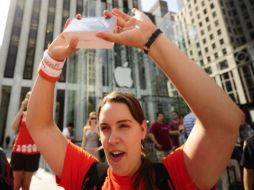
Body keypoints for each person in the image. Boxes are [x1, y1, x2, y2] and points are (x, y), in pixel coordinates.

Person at [26, 8, 244, 189]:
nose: (112, 139)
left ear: (142, 129)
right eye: (105, 127)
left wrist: (152, 40)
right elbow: (39, 125)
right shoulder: (88, 177)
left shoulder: (175, 177)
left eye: (124, 126)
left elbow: (225, 123)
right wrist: (52, 59)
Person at [10, 91, 40, 190]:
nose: (29, 99)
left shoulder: (39, 114)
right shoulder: (22, 114)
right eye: (27, 97)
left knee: (26, 185)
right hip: (18, 151)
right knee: (16, 184)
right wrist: (22, 108)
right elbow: (13, 127)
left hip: (33, 152)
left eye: (31, 97)